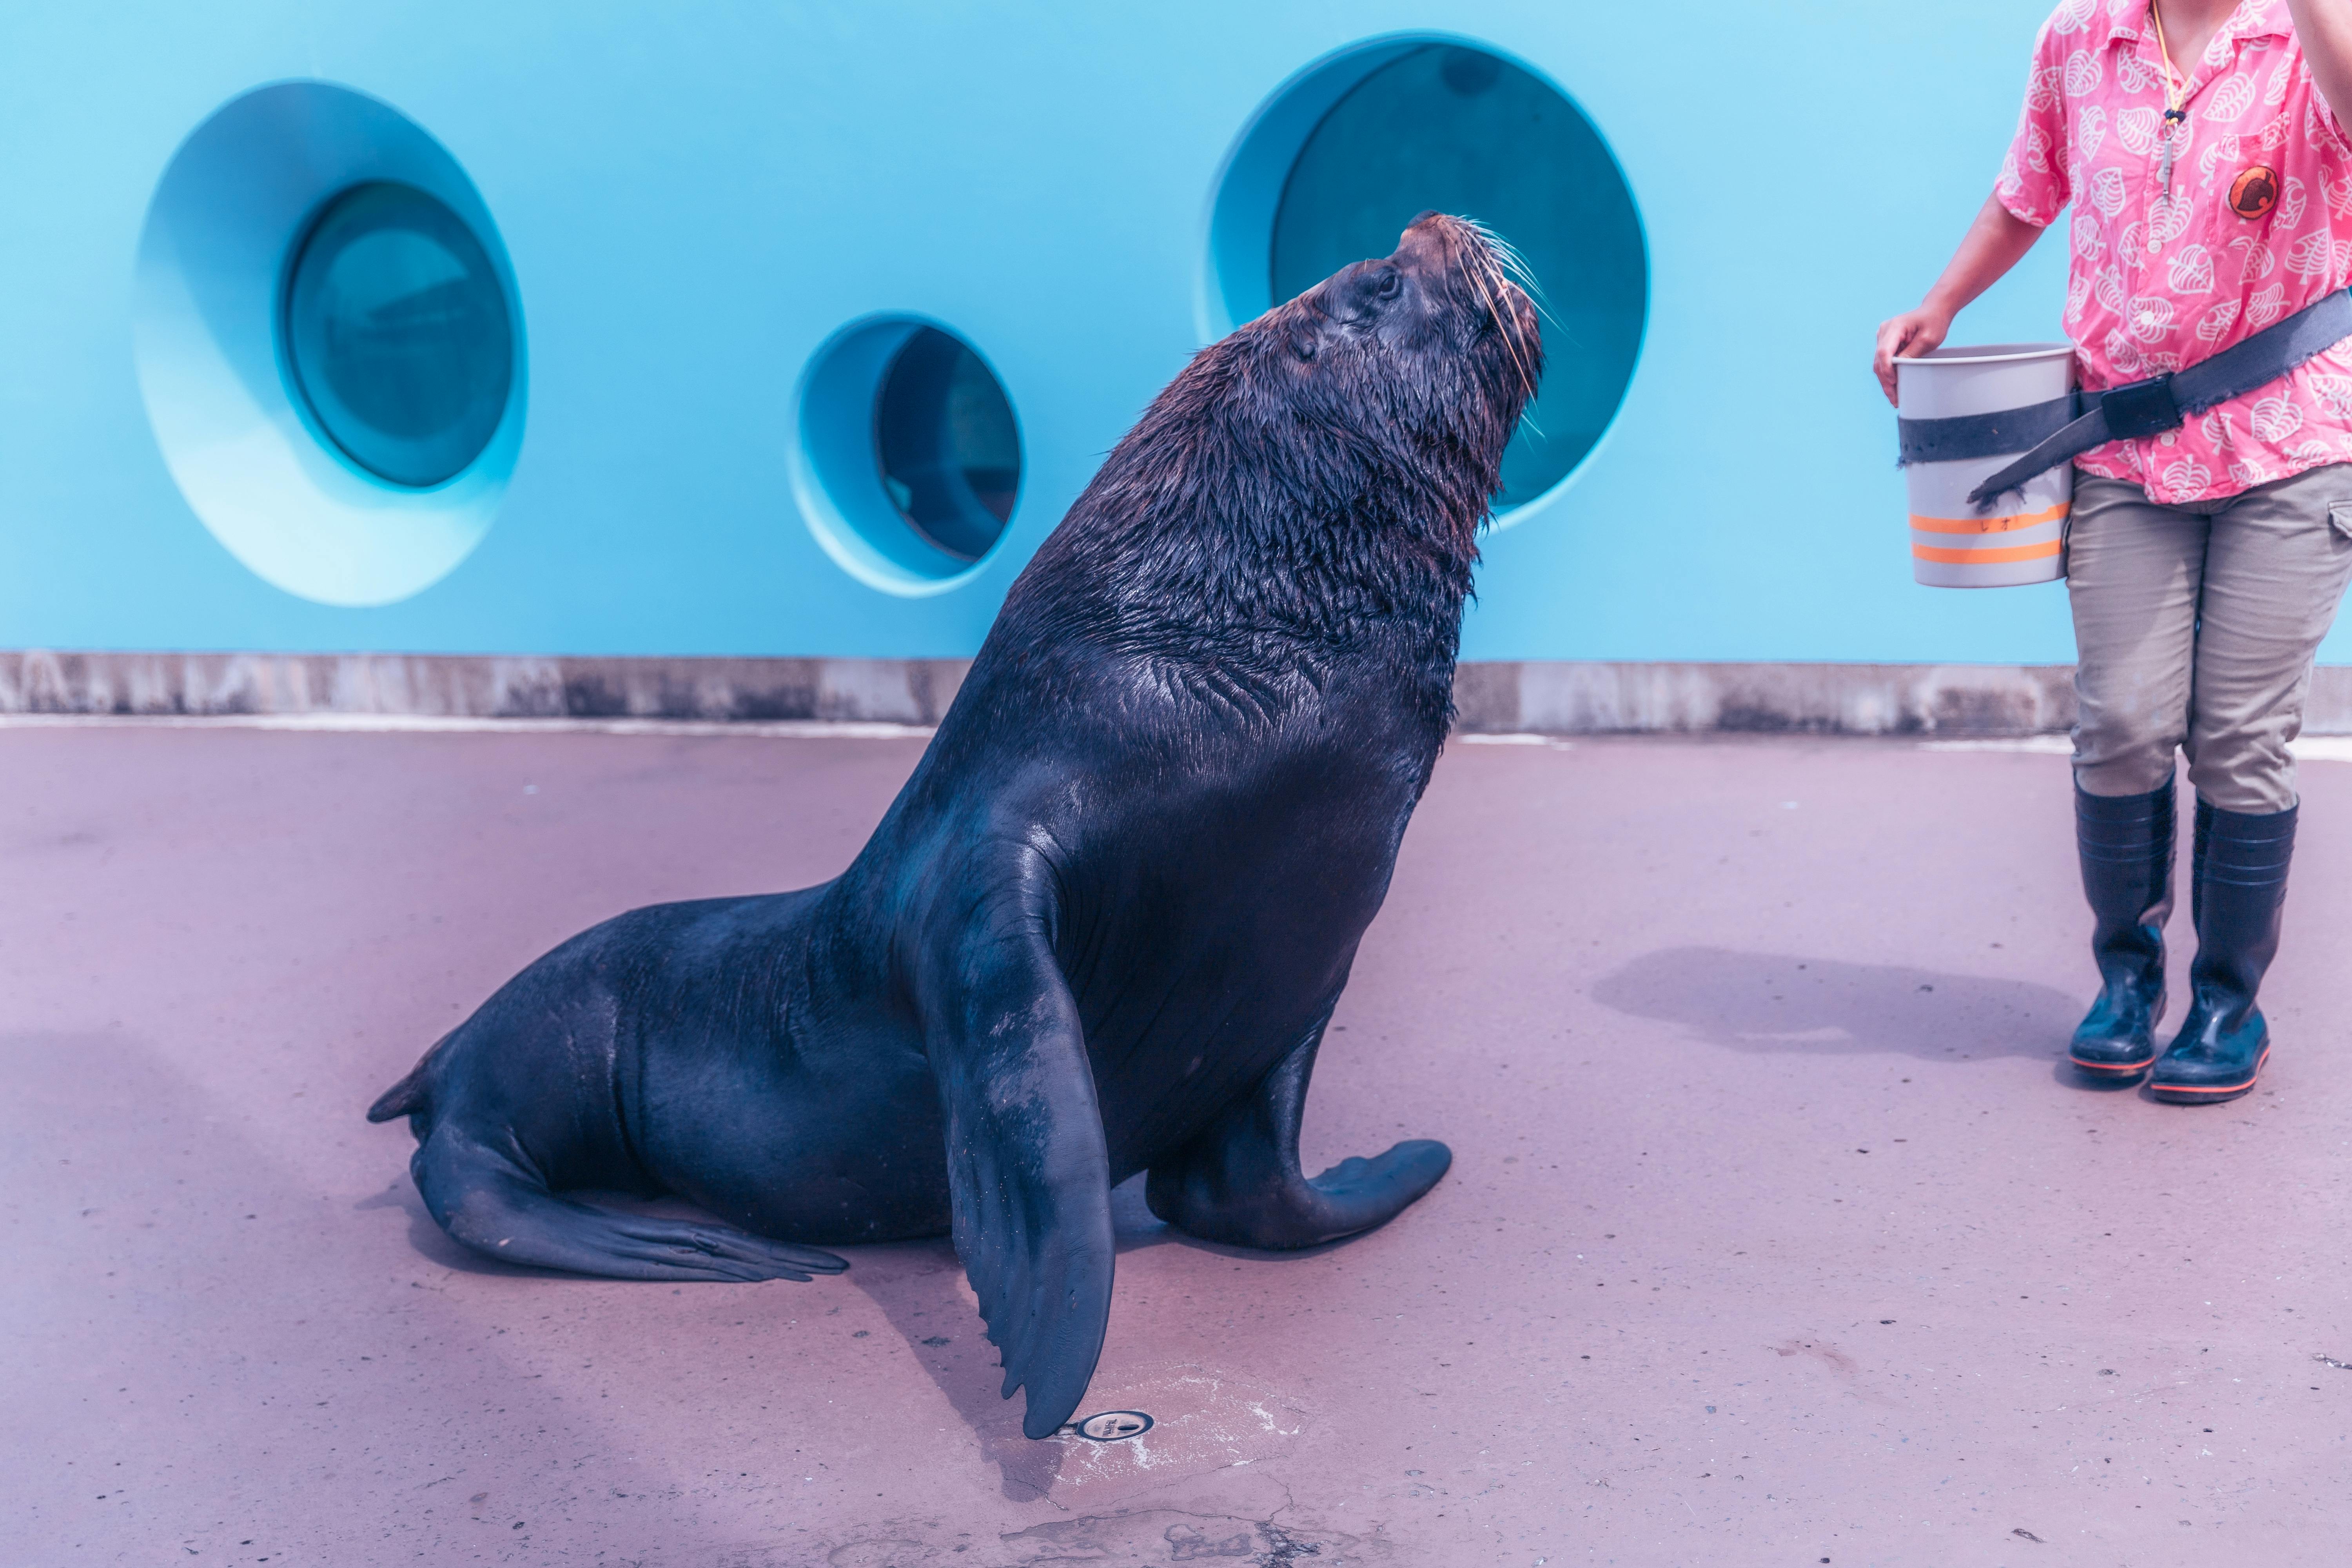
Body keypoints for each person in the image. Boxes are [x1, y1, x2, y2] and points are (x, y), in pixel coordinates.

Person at [1875, 0, 2352, 1103]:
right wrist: (1940, 305)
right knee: (2124, 722)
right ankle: (2127, 985)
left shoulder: (2308, 31)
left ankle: (2228, 1003)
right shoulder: (2078, 36)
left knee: (2239, 734)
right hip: (2126, 451)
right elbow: (2026, 190)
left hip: (2291, 441)